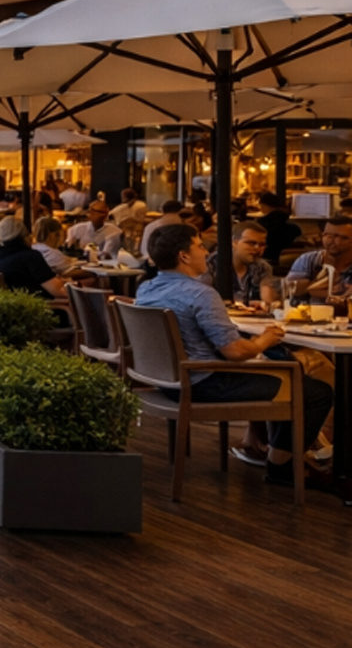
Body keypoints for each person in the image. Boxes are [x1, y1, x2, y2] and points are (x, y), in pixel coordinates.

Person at [136, 224, 334, 489]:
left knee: (288, 373)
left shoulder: (146, 289)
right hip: (204, 383)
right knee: (314, 391)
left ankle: (267, 449)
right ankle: (281, 467)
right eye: (199, 246)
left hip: (167, 382)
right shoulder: (201, 293)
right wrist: (264, 340)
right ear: (184, 256)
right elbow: (236, 352)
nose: (206, 252)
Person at [203, 221, 279, 308]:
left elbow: (267, 301)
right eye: (251, 243)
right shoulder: (210, 264)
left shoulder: (262, 268)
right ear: (234, 242)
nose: (257, 248)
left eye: (262, 244)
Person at [0, 227, 67, 298]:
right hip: (41, 306)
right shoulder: (30, 256)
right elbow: (58, 291)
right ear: (24, 237)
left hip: (10, 305)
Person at [258, 191, 301, 272]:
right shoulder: (291, 224)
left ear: (263, 205)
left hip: (266, 257)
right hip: (286, 260)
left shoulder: (260, 224)